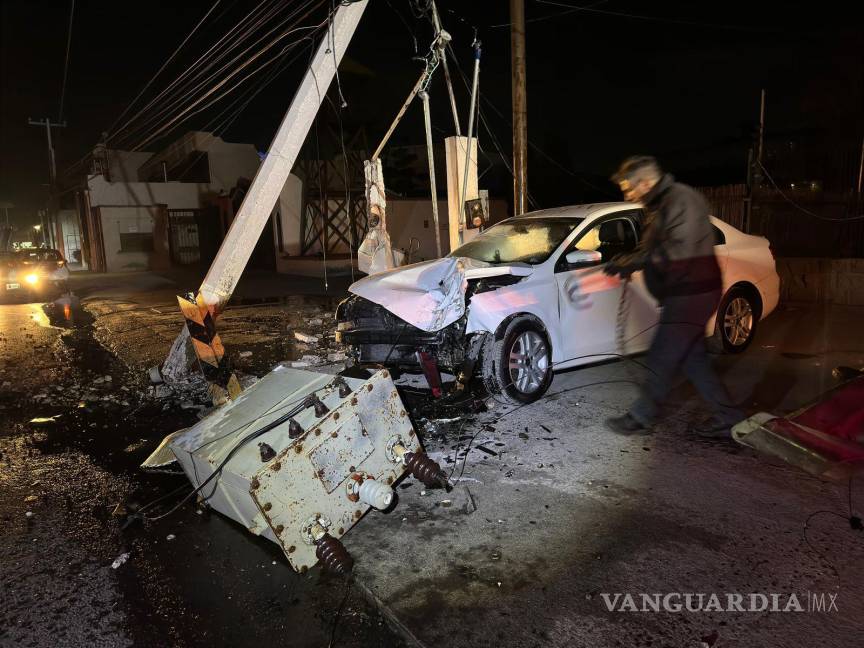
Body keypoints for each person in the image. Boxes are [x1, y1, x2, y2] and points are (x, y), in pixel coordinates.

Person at [603, 156, 742, 438]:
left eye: (629, 188)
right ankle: (728, 416)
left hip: (692, 293)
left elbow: (680, 249)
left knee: (661, 357)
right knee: (694, 360)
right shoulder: (659, 205)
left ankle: (641, 418)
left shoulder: (682, 199)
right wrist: (630, 260)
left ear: (645, 182)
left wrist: (636, 261)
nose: (627, 195)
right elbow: (655, 246)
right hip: (684, 292)